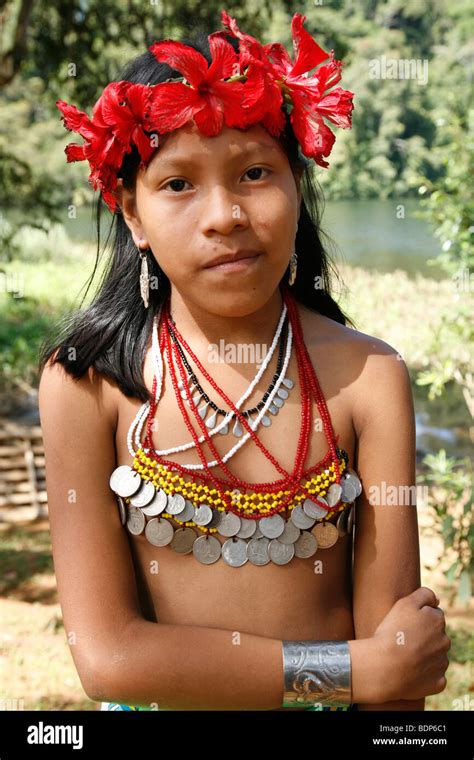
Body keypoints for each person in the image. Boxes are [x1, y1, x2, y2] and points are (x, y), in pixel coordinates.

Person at [38, 11, 450, 712]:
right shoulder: (87, 384)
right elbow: (108, 659)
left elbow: (398, 674)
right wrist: (348, 670)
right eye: (177, 185)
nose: (224, 214)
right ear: (131, 216)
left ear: (297, 186)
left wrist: (378, 675)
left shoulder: (369, 380)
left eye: (255, 172)